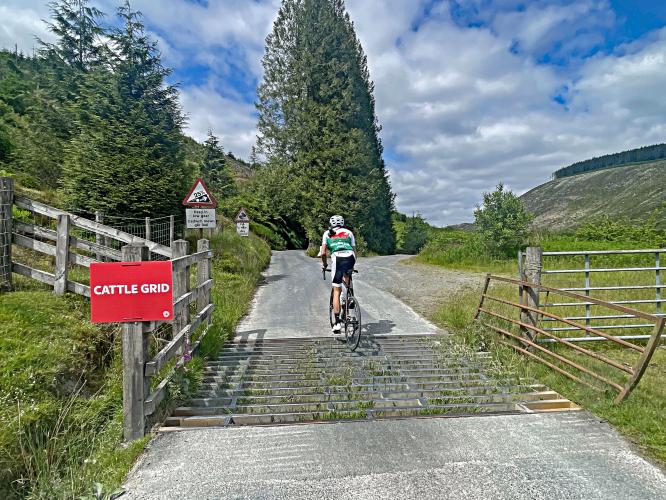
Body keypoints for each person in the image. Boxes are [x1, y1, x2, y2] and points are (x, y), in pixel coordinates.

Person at [321, 215, 356, 334]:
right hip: (351, 257)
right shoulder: (349, 232)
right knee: (347, 277)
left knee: (337, 289)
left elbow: (323, 253)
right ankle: (350, 297)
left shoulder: (327, 233)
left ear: (331, 223)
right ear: (343, 223)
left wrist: (325, 264)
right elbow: (354, 250)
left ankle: (337, 324)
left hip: (338, 258)